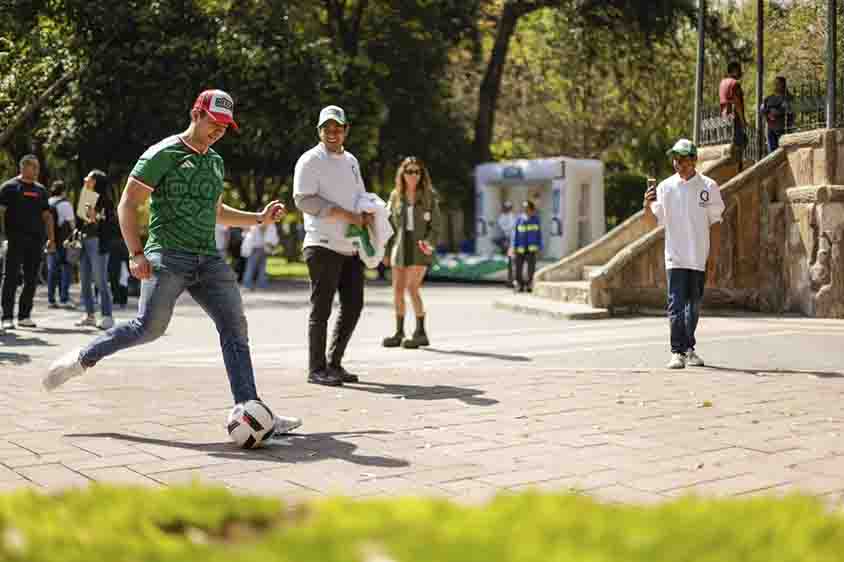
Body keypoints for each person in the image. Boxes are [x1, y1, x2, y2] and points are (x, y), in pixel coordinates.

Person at [44, 89, 302, 435]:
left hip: (208, 259)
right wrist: (137, 253)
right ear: (196, 114)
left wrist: (259, 217)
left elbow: (216, 211)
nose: (219, 131)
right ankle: (83, 358)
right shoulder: (162, 154)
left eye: (226, 126)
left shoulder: (214, 161)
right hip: (168, 255)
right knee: (148, 328)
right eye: (215, 123)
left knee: (235, 330)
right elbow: (128, 203)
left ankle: (252, 411)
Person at [293, 105, 370, 387]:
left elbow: (359, 195)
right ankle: (316, 369)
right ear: (319, 131)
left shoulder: (351, 160)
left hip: (350, 246)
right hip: (321, 244)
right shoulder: (310, 160)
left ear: (346, 129)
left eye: (337, 127)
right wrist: (344, 214)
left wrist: (370, 212)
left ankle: (334, 363)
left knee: (353, 305)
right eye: (327, 128)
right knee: (321, 308)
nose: (332, 132)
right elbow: (303, 200)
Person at [643, 139, 724, 370]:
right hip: (675, 256)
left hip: (699, 256)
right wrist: (646, 205)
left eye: (683, 159)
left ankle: (689, 348)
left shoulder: (709, 186)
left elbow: (716, 223)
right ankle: (677, 351)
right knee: (675, 304)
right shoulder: (665, 187)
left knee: (694, 306)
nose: (678, 164)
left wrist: (714, 257)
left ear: (694, 160)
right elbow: (651, 222)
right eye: (675, 159)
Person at [381, 156, 441, 349]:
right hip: (400, 246)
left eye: (416, 171)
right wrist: (386, 251)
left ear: (421, 174)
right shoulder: (395, 195)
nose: (413, 175)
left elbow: (436, 226)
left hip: (420, 246)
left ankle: (421, 332)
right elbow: (387, 226)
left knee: (412, 287)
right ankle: (398, 332)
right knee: (397, 290)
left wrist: (429, 243)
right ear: (402, 173)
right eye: (409, 171)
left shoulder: (429, 195)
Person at [0, 154, 56, 332]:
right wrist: (2, 237)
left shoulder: (41, 190)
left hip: (35, 241)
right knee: (10, 277)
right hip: (14, 240)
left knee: (31, 279)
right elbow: (1, 213)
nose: (37, 171)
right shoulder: (9, 187)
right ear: (24, 167)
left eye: (38, 167)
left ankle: (24, 316)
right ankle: (7, 317)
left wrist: (51, 239)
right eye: (35, 167)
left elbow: (47, 216)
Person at [75, 170, 116, 330]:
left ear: (96, 182)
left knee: (100, 280)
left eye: (89, 178)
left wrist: (96, 216)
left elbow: (108, 222)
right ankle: (89, 315)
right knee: (84, 280)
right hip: (84, 241)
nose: (85, 179)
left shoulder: (106, 201)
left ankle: (107, 316)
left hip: (98, 242)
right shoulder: (85, 196)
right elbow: (80, 221)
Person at [47, 180, 75, 309]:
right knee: (66, 269)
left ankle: (51, 299)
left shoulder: (48, 202)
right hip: (63, 242)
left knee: (52, 271)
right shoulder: (65, 204)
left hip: (50, 241)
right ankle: (64, 298)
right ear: (63, 191)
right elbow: (71, 223)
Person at [510, 200, 542, 293]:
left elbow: (539, 234)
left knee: (531, 269)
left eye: (527, 208)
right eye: (524, 208)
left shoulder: (536, 220)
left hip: (531, 249)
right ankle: (519, 285)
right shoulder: (519, 219)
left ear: (532, 210)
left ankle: (529, 285)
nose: (525, 210)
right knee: (518, 268)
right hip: (520, 248)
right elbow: (514, 234)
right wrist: (513, 247)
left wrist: (539, 247)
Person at [719, 61, 747, 162]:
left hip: (724, 116)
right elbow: (737, 103)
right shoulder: (735, 83)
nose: (741, 72)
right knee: (741, 142)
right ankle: (738, 165)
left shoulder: (722, 82)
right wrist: (743, 120)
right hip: (734, 117)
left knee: (729, 141)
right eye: (739, 70)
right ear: (734, 70)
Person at [241, 223, 279, 290]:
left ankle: (250, 284)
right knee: (258, 267)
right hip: (258, 246)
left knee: (253, 267)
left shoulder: (256, 222)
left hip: (258, 247)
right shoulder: (264, 223)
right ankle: (258, 284)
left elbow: (245, 232)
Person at [760, 76, 793, 152]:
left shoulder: (788, 97)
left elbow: (789, 109)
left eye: (778, 83)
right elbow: (762, 109)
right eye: (775, 83)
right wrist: (768, 113)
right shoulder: (769, 98)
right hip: (770, 128)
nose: (776, 85)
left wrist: (777, 112)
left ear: (783, 84)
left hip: (783, 127)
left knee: (783, 150)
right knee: (772, 151)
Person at [496, 200, 516, 286]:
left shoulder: (512, 216)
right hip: (507, 241)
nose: (508, 209)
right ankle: (509, 279)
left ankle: (511, 279)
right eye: (507, 207)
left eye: (509, 207)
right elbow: (504, 228)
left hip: (512, 241)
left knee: (511, 261)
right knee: (509, 261)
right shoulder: (502, 217)